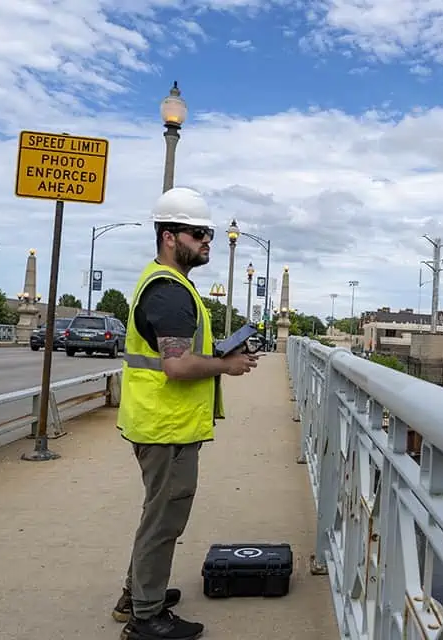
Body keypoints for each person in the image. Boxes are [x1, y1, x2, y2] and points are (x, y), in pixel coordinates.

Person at [112, 187, 259, 640]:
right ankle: (146, 616)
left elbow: (170, 353)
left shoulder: (164, 283)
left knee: (156, 514)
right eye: (198, 234)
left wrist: (215, 352)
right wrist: (226, 365)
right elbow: (176, 366)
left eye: (209, 234)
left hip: (157, 421)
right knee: (164, 521)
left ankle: (135, 594)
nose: (207, 242)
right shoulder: (171, 293)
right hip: (166, 427)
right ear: (169, 236)